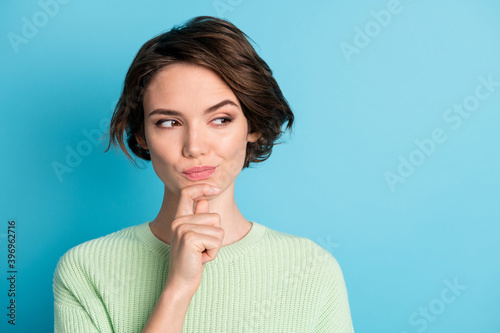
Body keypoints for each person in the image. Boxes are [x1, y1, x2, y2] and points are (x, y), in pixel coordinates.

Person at [53, 15, 354, 332]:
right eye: (169, 122)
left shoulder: (312, 269)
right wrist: (178, 288)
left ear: (251, 125)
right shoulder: (85, 269)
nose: (194, 146)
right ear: (141, 134)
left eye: (221, 119)